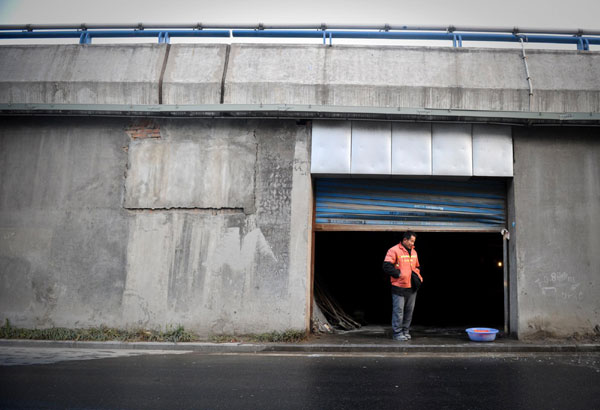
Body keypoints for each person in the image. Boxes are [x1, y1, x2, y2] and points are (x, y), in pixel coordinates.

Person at [382, 231, 423, 341]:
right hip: (399, 286)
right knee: (398, 311)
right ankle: (397, 333)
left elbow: (417, 266)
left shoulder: (414, 252)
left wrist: (418, 277)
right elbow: (386, 266)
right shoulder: (394, 250)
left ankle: (405, 331)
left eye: (414, 241)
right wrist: (399, 274)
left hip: (412, 287)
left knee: (409, 311)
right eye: (411, 241)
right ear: (405, 240)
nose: (412, 243)